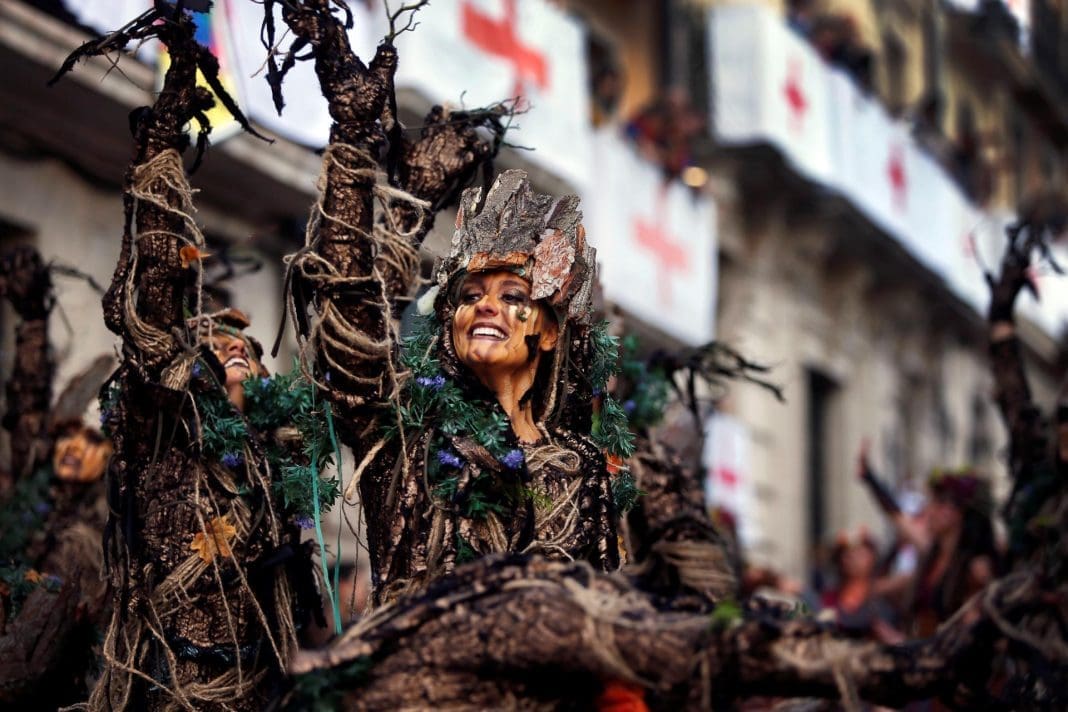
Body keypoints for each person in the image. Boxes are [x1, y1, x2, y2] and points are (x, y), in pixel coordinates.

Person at [860, 450, 998, 635]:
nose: (926, 510)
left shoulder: (976, 568)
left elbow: (969, 633)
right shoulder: (932, 551)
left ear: (953, 513)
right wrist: (870, 479)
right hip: (921, 652)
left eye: (934, 503)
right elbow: (897, 516)